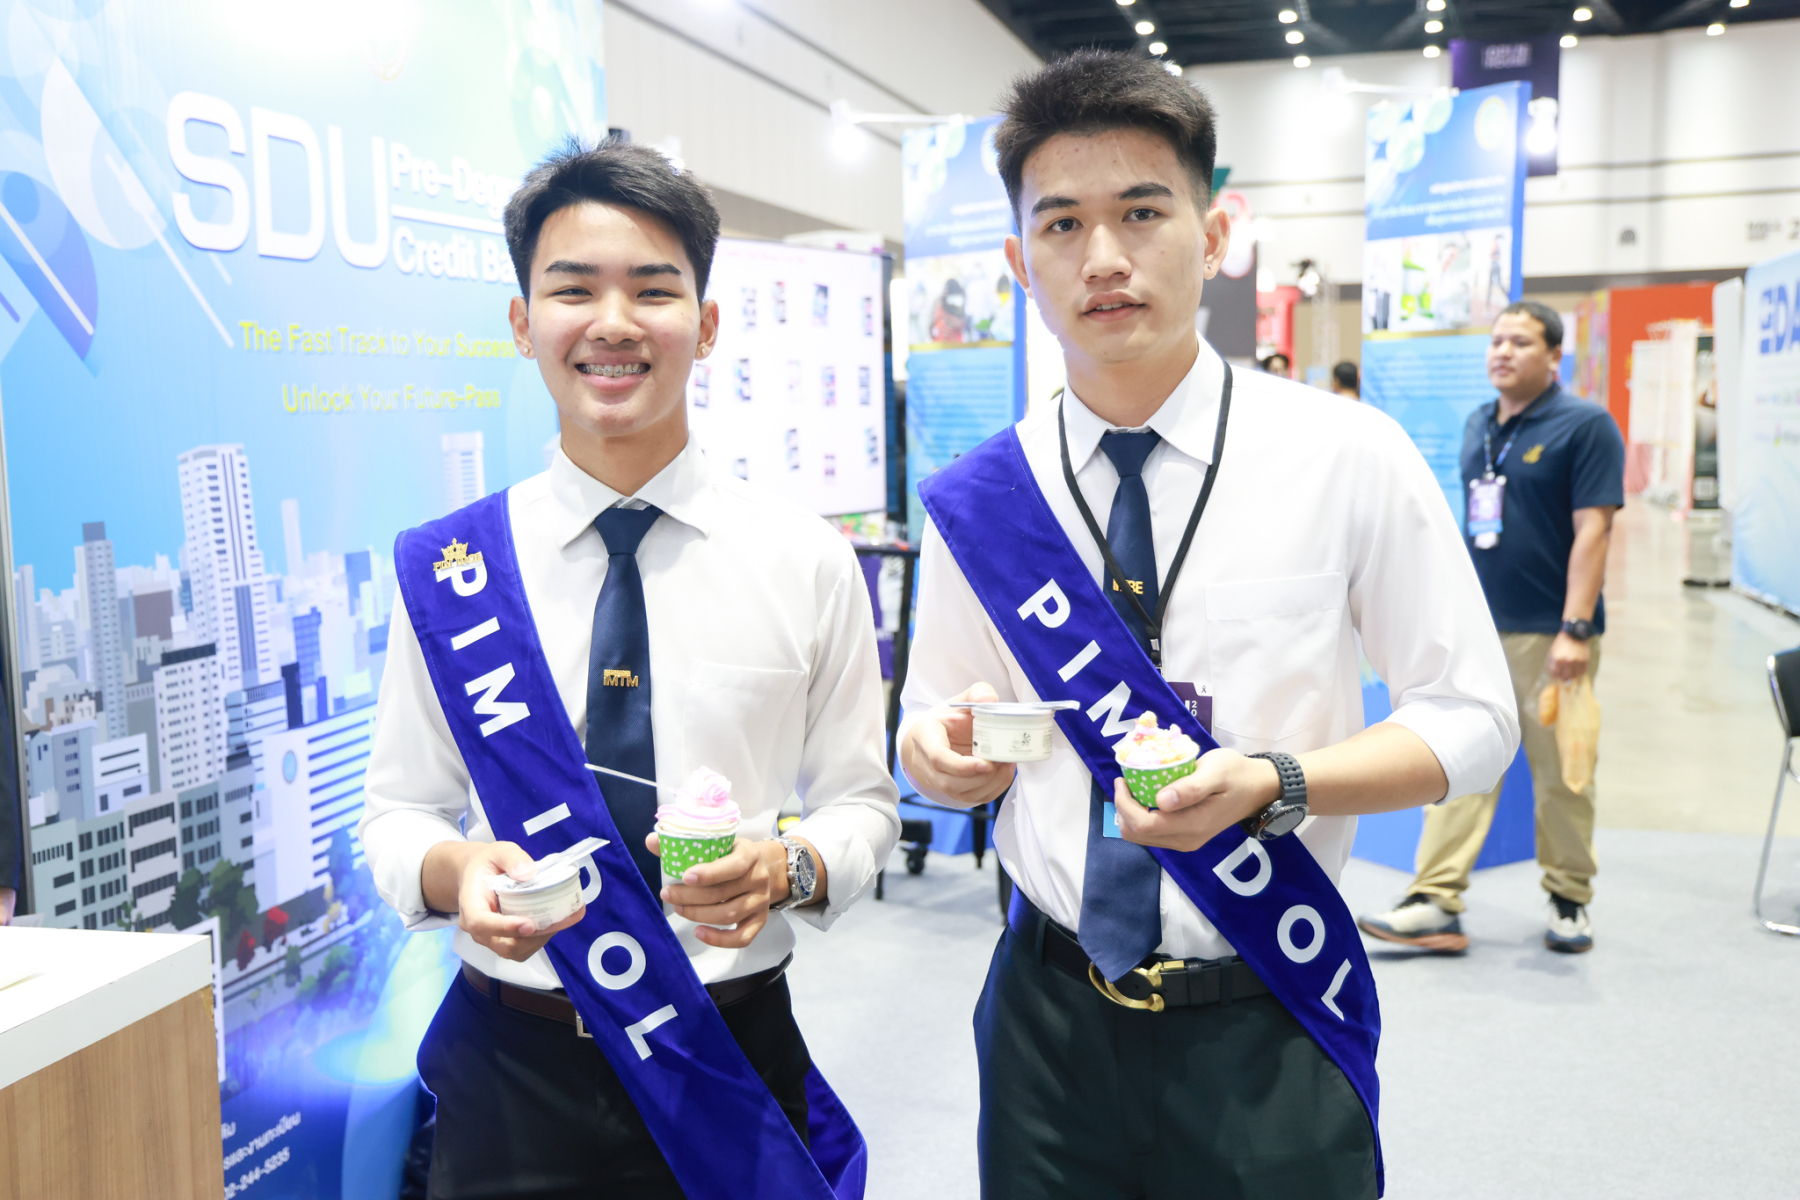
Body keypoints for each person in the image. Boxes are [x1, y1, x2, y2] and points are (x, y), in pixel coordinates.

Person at [899, 50, 1517, 1199]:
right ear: (1017, 262)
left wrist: (1280, 783)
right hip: (1045, 1023)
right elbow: (933, 718)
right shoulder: (982, 499)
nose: (1104, 257)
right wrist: (937, 755)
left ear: (1217, 232)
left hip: (1268, 1006)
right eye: (1062, 224)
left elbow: (1475, 718)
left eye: (1143, 212)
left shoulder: (1344, 455)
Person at [359, 139, 900, 1198]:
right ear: (523, 324)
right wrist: (456, 874)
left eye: (653, 290)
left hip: (727, 1058)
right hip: (509, 1077)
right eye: (573, 290)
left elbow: (863, 804)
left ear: (707, 324)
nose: (613, 323)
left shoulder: (805, 558)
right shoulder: (455, 569)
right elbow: (398, 812)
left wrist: (788, 868)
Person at [1359, 301, 1624, 955]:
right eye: (1497, 340)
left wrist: (1575, 627)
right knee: (1456, 760)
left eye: (1521, 342)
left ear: (1554, 356)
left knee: (1561, 774)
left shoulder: (1585, 426)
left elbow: (1594, 530)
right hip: (1478, 626)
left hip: (1549, 633)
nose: (1502, 352)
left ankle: (1570, 897)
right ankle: (1434, 900)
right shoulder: (1481, 422)